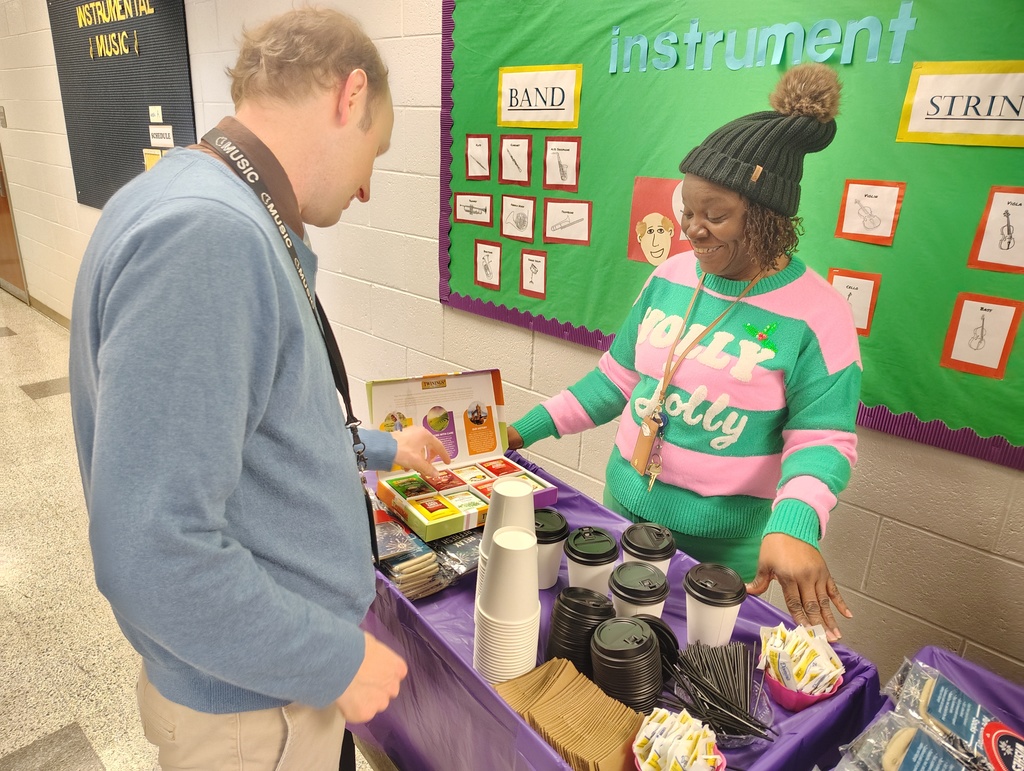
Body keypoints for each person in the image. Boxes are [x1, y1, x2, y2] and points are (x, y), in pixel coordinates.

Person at [68, 8, 449, 770]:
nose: (368, 189)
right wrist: (334, 656)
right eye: (375, 152)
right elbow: (151, 550)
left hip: (265, 683)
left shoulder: (194, 196)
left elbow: (259, 421)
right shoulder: (207, 235)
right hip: (253, 708)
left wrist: (385, 446)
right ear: (350, 97)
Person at [509, 63, 859, 641]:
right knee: (612, 656)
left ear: (768, 219)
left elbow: (823, 439)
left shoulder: (818, 313)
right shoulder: (671, 277)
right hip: (624, 514)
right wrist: (515, 433)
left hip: (726, 553)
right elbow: (612, 384)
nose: (693, 231)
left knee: (694, 686)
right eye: (688, 213)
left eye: (715, 216)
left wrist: (796, 524)